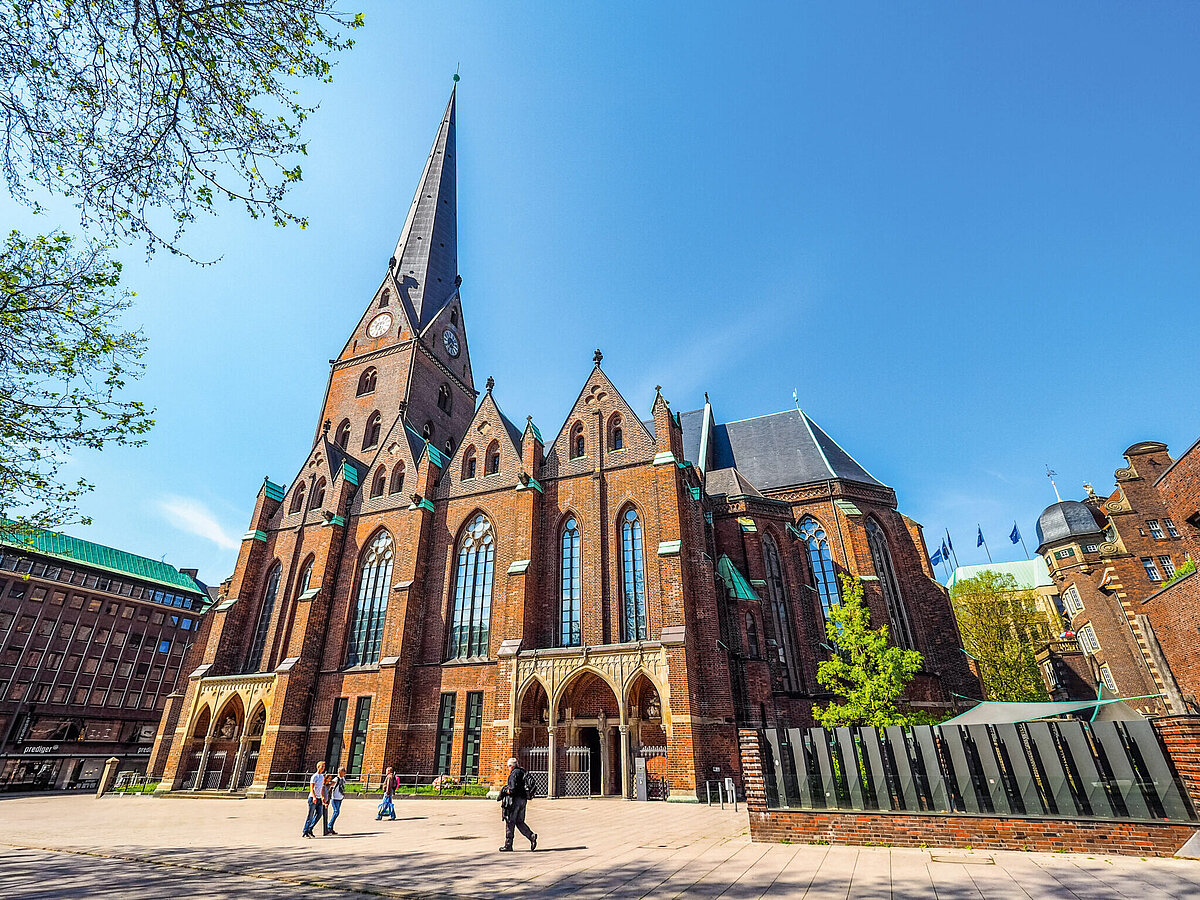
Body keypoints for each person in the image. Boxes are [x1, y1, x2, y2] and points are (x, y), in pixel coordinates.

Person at [498, 756, 537, 852]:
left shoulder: (513, 774)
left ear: (511, 766)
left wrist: (505, 790)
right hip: (523, 800)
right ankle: (531, 836)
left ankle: (508, 845)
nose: (508, 768)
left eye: (508, 766)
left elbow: (512, 789)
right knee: (520, 821)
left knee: (510, 822)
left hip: (514, 801)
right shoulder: (523, 772)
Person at [302, 760, 326, 838]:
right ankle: (305, 831)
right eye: (322, 766)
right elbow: (312, 788)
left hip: (319, 798)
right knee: (310, 815)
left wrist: (322, 797)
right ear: (318, 767)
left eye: (324, 766)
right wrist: (314, 797)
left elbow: (321, 787)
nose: (323, 768)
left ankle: (310, 828)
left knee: (319, 814)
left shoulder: (322, 777)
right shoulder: (314, 776)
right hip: (313, 798)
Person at [325, 767, 346, 835]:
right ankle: (329, 827)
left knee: (337, 812)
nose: (345, 773)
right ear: (340, 772)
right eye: (344, 771)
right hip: (334, 798)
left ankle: (330, 827)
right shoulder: (336, 779)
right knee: (336, 812)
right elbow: (329, 786)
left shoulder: (343, 779)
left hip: (339, 798)